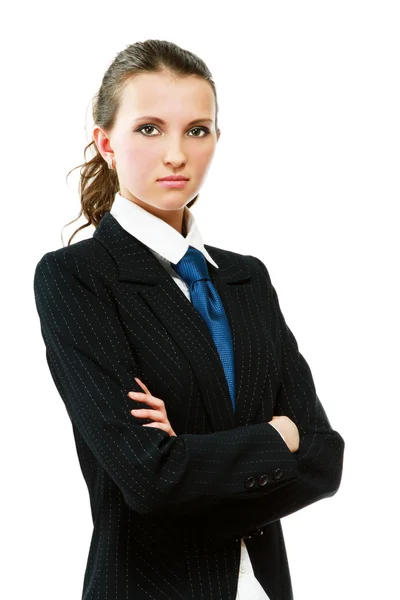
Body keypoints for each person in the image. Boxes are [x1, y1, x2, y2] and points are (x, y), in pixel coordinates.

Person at [33, 39, 345, 600]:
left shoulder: (246, 278)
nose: (176, 154)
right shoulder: (77, 278)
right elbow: (146, 477)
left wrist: (191, 459)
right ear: (106, 142)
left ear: (217, 141)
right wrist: (280, 436)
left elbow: (325, 457)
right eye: (149, 128)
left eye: (197, 130)